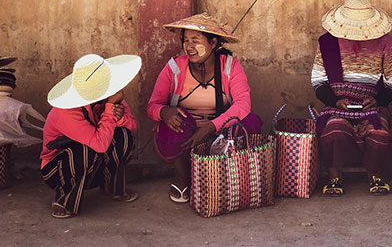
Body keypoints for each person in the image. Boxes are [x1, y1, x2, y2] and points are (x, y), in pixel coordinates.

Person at [147, 13, 262, 203]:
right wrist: (164, 112)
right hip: (187, 133)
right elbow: (152, 106)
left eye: (195, 40)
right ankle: (183, 176)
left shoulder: (230, 67)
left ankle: (224, 173)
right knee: (170, 127)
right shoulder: (174, 68)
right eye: (185, 40)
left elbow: (243, 104)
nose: (189, 46)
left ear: (213, 43)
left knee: (251, 121)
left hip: (221, 133)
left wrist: (210, 127)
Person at [311, 0, 392, 196]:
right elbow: (318, 80)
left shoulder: (385, 42)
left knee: (379, 134)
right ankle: (334, 176)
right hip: (337, 106)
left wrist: (378, 100)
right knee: (333, 130)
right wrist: (335, 101)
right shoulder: (327, 42)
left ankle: (375, 174)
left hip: (373, 108)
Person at [41, 54, 142, 219]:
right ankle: (64, 200)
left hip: (94, 165)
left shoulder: (111, 98)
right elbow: (99, 144)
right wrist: (110, 110)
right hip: (59, 169)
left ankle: (111, 188)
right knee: (83, 151)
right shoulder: (66, 111)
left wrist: (120, 116)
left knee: (124, 137)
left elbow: (132, 128)